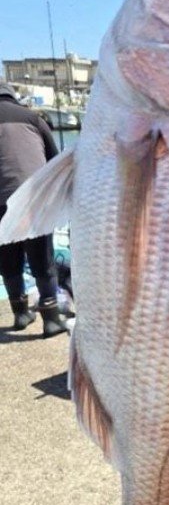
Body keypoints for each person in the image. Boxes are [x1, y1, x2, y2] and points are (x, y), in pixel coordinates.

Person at [0, 83, 70, 337]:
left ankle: (20, 313)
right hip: (33, 197)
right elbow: (55, 159)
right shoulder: (31, 117)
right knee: (42, 257)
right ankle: (51, 318)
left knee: (8, 259)